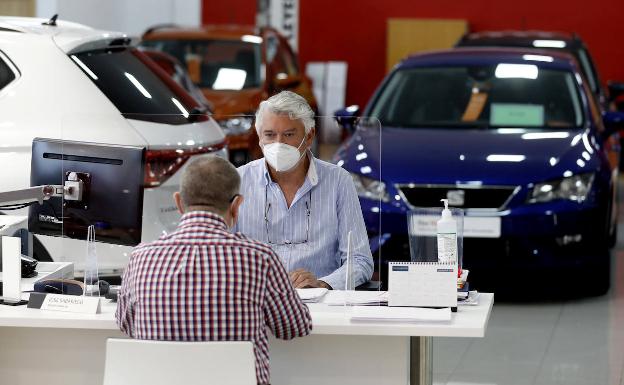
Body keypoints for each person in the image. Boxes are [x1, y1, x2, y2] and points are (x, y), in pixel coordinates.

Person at [116, 155, 312, 385]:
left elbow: (126, 324)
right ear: (236, 206)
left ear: (179, 203)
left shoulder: (140, 258)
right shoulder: (260, 258)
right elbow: (294, 327)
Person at [235, 91, 374, 290]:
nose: (278, 144)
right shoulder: (238, 182)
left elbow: (360, 261)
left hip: (319, 305)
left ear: (309, 137)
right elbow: (217, 256)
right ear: (259, 138)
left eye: (289, 134)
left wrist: (323, 283)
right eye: (270, 135)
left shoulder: (338, 181)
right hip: (256, 303)